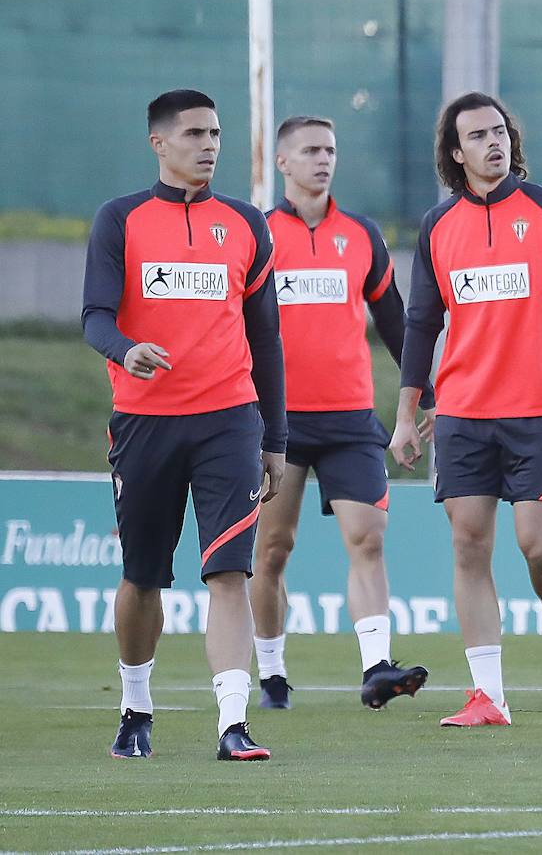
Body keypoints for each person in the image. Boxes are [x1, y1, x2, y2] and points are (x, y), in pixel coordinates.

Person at [390, 92, 542, 727]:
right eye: (478, 136)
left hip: (540, 414)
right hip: (461, 413)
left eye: (500, 132)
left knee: (538, 550)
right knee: (468, 547)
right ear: (456, 154)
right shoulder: (437, 226)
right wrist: (408, 413)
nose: (494, 143)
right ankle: (489, 694)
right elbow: (421, 322)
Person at [82, 89, 286, 761]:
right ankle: (135, 707)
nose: (209, 145)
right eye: (195, 133)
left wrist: (274, 437)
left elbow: (267, 338)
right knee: (142, 577)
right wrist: (125, 350)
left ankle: (233, 724)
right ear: (159, 143)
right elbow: (95, 318)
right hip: (144, 423)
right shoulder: (120, 220)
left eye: (217, 133)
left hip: (229, 420)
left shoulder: (248, 225)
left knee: (230, 572)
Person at [250, 115, 431, 711]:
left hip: (351, 418)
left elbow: (393, 320)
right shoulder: (258, 233)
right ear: (282, 163)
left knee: (368, 538)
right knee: (273, 551)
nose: (322, 160)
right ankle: (272, 671)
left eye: (329, 149)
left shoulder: (361, 235)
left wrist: (423, 394)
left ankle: (377, 668)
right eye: (308, 151)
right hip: (275, 420)